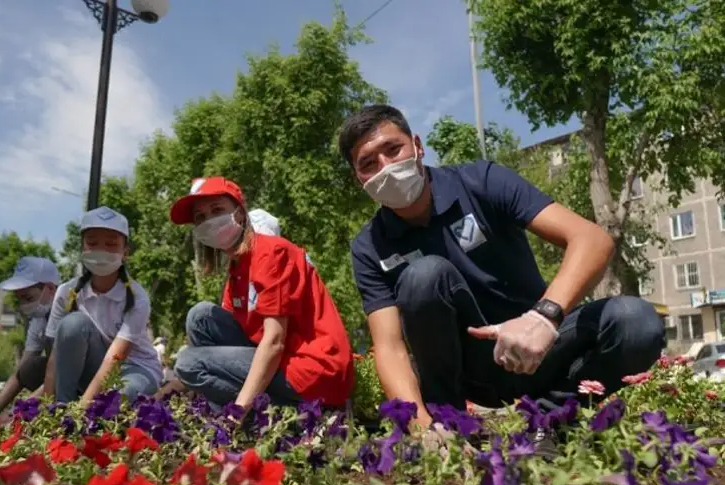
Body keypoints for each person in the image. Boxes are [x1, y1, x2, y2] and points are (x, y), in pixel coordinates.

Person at [340, 104, 664, 433]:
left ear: (418, 146)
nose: (385, 167)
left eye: (393, 149)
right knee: (424, 275)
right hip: (467, 372)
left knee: (635, 322)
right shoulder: (369, 247)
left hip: (537, 348)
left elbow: (592, 239)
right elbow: (390, 347)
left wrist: (544, 317)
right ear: (359, 179)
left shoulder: (481, 181)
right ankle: (448, 427)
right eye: (368, 164)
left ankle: (549, 420)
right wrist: (419, 424)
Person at [161, 177, 354, 411]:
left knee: (188, 363)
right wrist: (173, 388)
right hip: (284, 364)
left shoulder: (271, 252)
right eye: (200, 217)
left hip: (312, 370)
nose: (209, 221)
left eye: (217, 210)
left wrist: (239, 410)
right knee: (200, 316)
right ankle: (218, 410)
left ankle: (273, 414)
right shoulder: (238, 267)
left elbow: (274, 341)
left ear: (240, 214)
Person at [43, 206, 162, 403]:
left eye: (111, 244)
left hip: (135, 369)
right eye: (92, 243)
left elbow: (114, 359)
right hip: (93, 367)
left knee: (120, 396)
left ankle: (87, 410)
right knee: (72, 324)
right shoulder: (66, 292)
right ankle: (62, 406)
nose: (101, 251)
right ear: (82, 248)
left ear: (125, 252)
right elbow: (56, 357)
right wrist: (46, 408)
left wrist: (82, 410)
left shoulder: (137, 297)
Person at [0, 257, 61, 416]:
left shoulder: (69, 314)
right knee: (30, 368)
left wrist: (16, 414)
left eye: (28, 298)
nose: (23, 304)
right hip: (57, 378)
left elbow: (60, 373)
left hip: (85, 377)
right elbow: (19, 373)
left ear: (50, 289)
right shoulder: (39, 319)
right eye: (20, 299)